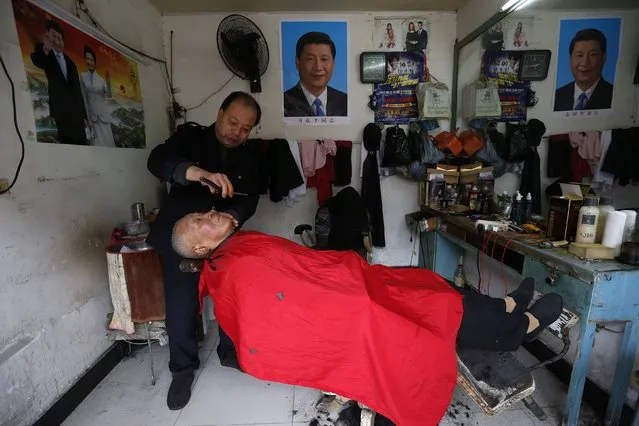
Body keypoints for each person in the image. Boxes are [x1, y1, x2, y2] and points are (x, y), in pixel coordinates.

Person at [171, 211, 564, 425]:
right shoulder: (231, 267)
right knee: (416, 310)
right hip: (347, 310)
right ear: (202, 247)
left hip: (348, 284)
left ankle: (505, 307)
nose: (208, 213)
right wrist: (349, 298)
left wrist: (346, 275)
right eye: (197, 222)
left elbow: (301, 271)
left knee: (425, 284)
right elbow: (280, 311)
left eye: (202, 212)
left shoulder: (239, 246)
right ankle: (517, 329)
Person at [145, 91, 262, 410]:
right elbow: (156, 159)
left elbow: (249, 198)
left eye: (246, 128)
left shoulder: (249, 157)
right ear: (220, 112)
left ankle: (229, 352)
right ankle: (182, 369)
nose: (236, 131)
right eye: (232, 121)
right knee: (181, 304)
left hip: (221, 241)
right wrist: (196, 173)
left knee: (229, 296)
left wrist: (233, 217)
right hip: (180, 240)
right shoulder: (190, 137)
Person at [30, 20, 87, 145]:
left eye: (59, 38)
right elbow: (38, 61)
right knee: (67, 146)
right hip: (61, 112)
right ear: (48, 38)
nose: (57, 41)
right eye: (53, 37)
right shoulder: (46, 54)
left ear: (63, 41)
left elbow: (77, 91)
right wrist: (45, 48)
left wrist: (83, 116)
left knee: (83, 145)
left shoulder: (71, 64)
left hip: (76, 114)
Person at [284, 31, 347, 117]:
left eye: (324, 59)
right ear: (298, 62)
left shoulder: (345, 101)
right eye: (310, 59)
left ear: (333, 64)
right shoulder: (283, 102)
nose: (318, 67)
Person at [554, 28, 614, 111]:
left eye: (592, 55)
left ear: (603, 57)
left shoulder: (614, 96)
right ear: (570, 59)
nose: (585, 63)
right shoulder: (557, 96)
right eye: (579, 55)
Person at [80, 46, 116, 148]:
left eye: (91, 60)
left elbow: (109, 95)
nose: (89, 62)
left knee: (108, 143)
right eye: (87, 59)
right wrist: (87, 118)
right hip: (92, 118)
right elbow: (84, 99)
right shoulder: (82, 76)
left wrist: (108, 81)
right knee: (96, 145)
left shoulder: (101, 80)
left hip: (103, 117)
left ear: (95, 62)